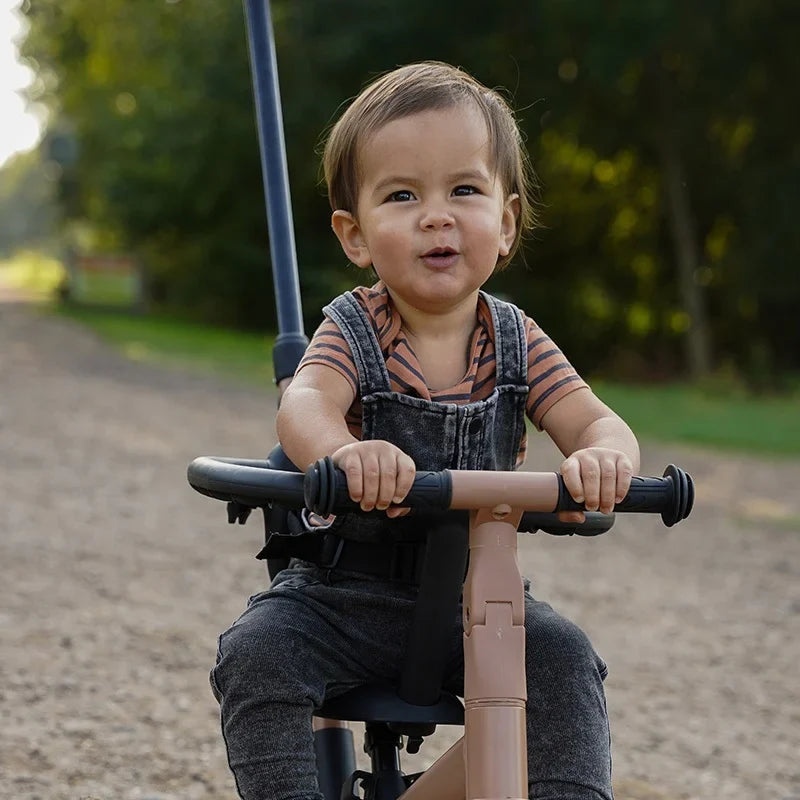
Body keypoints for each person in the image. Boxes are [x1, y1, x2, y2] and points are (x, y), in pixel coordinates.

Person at [211, 61, 639, 800]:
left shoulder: (520, 341)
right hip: (341, 595)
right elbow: (304, 404)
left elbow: (596, 420)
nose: (436, 215)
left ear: (504, 223)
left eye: (464, 191)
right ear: (355, 234)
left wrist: (604, 458)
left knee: (565, 662)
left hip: (482, 600)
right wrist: (347, 453)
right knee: (256, 654)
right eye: (403, 195)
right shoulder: (353, 327)